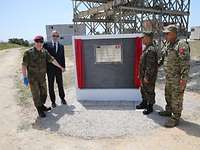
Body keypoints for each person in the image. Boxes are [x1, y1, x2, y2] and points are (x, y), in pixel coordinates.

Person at [22, 35, 65, 118]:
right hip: (33, 79)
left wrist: (60, 67)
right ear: (35, 42)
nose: (39, 43)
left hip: (42, 78)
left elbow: (52, 60)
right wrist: (25, 77)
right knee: (36, 94)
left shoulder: (44, 52)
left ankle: (42, 105)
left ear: (42, 43)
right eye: (37, 42)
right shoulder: (28, 53)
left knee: (44, 94)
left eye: (41, 42)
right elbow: (24, 65)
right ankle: (39, 109)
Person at [158, 25, 190, 127]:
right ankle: (169, 110)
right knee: (168, 95)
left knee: (177, 98)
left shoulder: (181, 45)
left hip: (177, 78)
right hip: (169, 77)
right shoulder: (168, 44)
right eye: (165, 33)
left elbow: (185, 63)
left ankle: (176, 117)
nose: (165, 35)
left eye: (167, 33)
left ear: (174, 33)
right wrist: (155, 66)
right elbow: (162, 58)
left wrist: (183, 80)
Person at [136, 31, 158, 115]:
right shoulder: (147, 48)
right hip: (143, 75)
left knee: (149, 91)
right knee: (144, 90)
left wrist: (147, 77)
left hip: (148, 76)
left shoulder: (151, 50)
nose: (142, 40)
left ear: (148, 38)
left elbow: (150, 66)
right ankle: (144, 103)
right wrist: (141, 74)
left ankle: (150, 106)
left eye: (143, 38)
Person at [43, 31, 66, 108]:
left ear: (58, 36)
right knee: (51, 85)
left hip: (59, 68)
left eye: (57, 35)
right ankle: (53, 101)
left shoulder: (61, 46)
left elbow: (62, 58)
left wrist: (63, 67)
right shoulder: (46, 45)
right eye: (54, 35)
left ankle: (62, 98)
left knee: (60, 84)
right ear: (51, 36)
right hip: (50, 69)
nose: (55, 37)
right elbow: (44, 57)